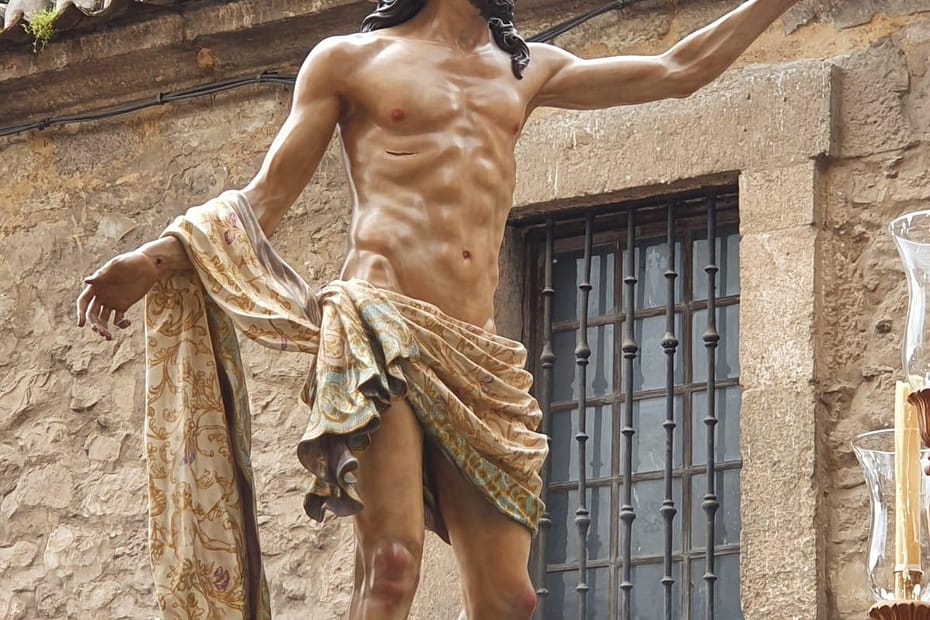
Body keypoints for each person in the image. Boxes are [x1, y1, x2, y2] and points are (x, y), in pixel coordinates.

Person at [76, 0, 800, 617]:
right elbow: (265, 197)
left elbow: (680, 68)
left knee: (510, 599)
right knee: (392, 566)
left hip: (476, 353)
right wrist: (153, 260)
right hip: (379, 324)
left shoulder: (527, 69)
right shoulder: (349, 61)